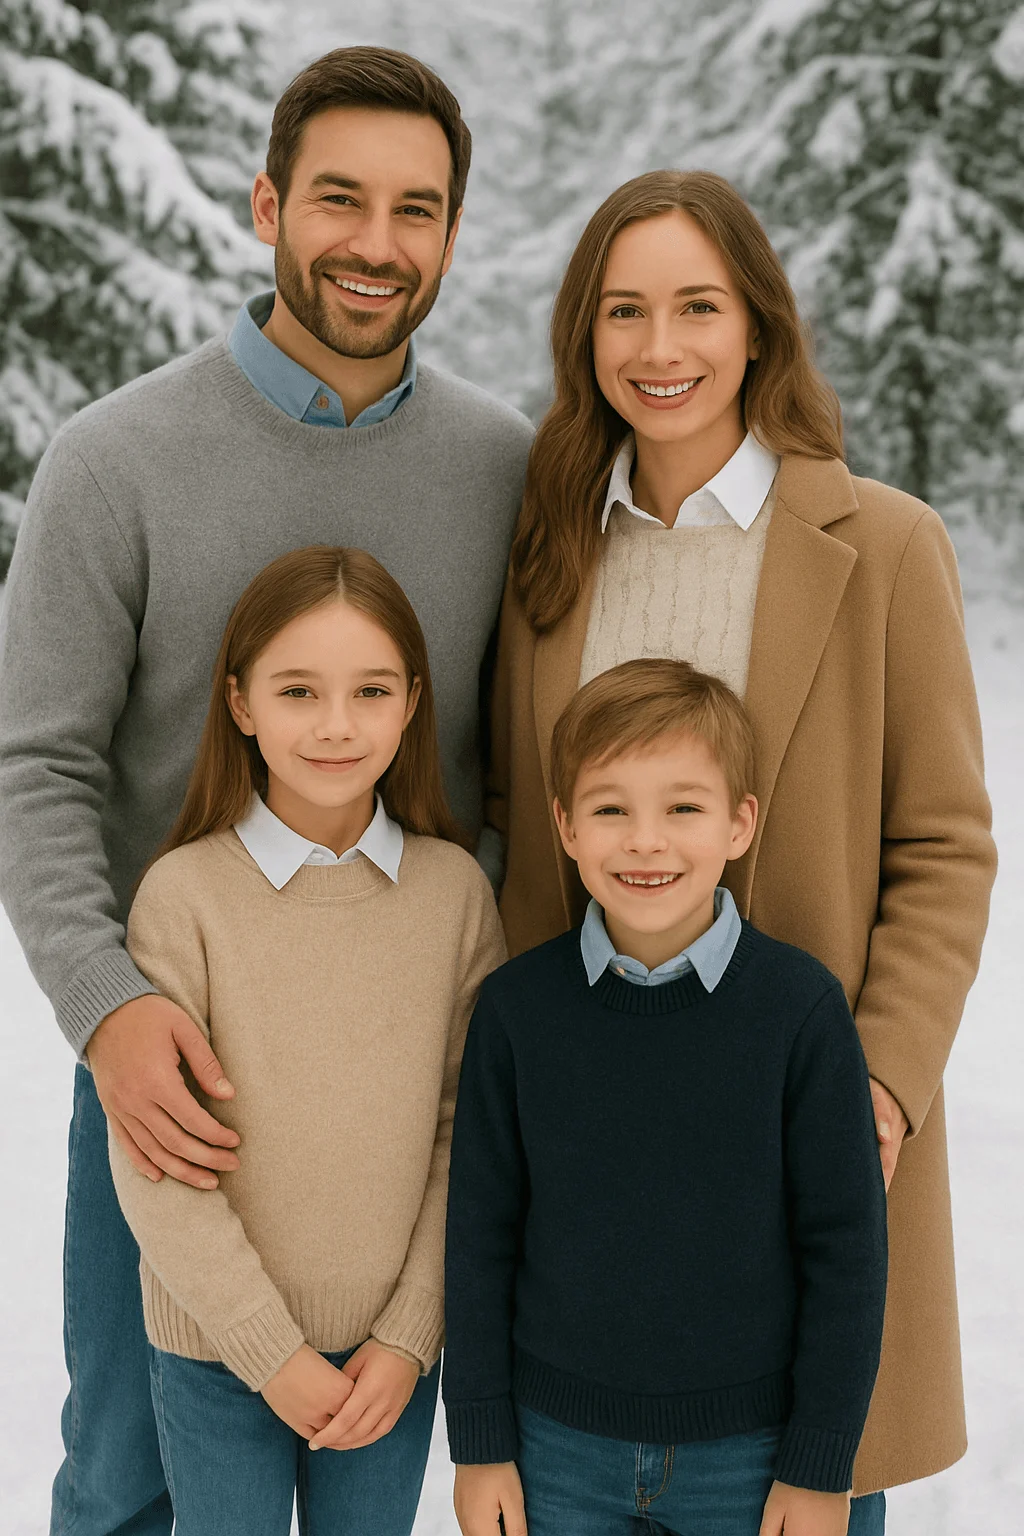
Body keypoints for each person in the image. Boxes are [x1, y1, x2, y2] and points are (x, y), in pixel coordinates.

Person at [0, 47, 532, 1536]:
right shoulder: (112, 463)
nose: (377, 244)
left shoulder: (506, 469)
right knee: (124, 1471)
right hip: (176, 1072)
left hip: (399, 1095)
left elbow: (519, 766)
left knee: (370, 1465)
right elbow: (34, 763)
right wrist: (107, 1006)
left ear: (450, 231)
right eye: (341, 199)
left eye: (417, 209)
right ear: (266, 203)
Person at [486, 170, 996, 1515]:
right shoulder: (546, 559)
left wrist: (876, 1088)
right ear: (583, 340)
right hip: (594, 1187)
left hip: (804, 1150)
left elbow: (944, 844)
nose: (662, 351)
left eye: (699, 308)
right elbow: (510, 829)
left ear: (760, 327)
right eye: (625, 312)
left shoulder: (880, 545)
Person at [107, 544, 505, 1536]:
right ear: (240, 703)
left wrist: (411, 1337)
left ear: (412, 702)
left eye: (369, 690)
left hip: (388, 1362)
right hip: (216, 1351)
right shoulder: (184, 898)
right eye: (297, 691)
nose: (335, 726)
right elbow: (155, 1159)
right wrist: (266, 1352)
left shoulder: (454, 896)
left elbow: (472, 1136)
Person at [444, 658, 888, 1536]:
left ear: (740, 824)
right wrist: (481, 1444)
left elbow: (847, 1252)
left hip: (751, 1458)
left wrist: (818, 1464)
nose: (646, 841)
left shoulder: (800, 1010)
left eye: (683, 807)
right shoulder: (516, 1010)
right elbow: (480, 1235)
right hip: (556, 1451)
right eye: (611, 809)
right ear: (566, 828)